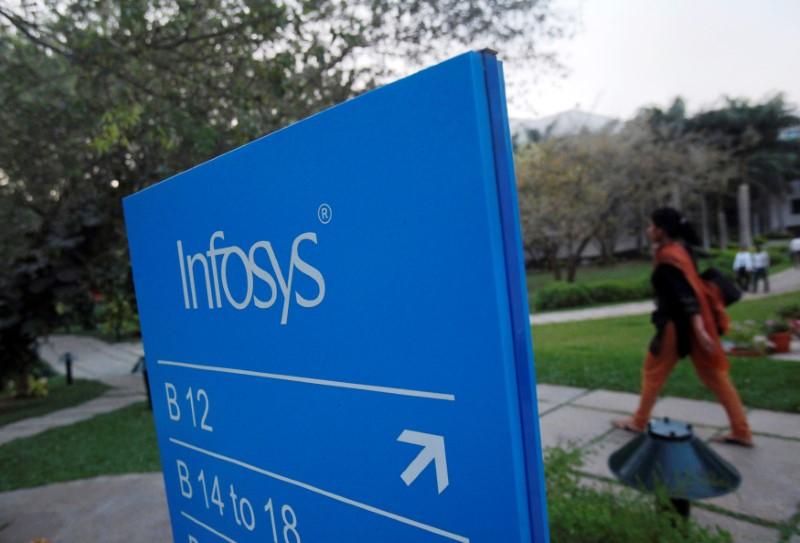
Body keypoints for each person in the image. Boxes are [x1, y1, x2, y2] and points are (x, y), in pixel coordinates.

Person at [614, 207, 752, 447]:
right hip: (689, 325)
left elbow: (685, 294)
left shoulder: (669, 258)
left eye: (651, 225)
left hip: (676, 327)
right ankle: (742, 431)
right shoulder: (682, 251)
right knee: (715, 377)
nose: (648, 230)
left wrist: (698, 329)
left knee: (652, 373)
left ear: (661, 230)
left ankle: (638, 421)